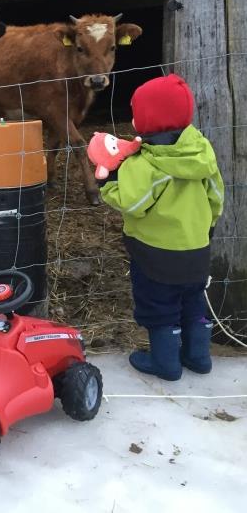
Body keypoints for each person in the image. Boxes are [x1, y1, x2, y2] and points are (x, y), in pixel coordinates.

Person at [87, 74, 224, 381]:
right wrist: (207, 225)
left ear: (145, 121)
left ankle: (165, 364)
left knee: (159, 306)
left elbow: (133, 203)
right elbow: (216, 196)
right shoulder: (202, 152)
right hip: (196, 247)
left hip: (155, 254)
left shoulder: (146, 163)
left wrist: (108, 182)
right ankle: (198, 358)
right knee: (194, 301)